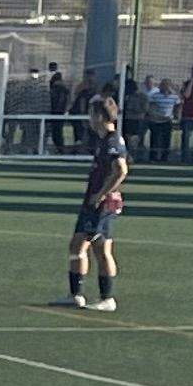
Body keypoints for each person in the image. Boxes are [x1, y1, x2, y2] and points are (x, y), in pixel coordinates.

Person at [61, 108, 127, 313]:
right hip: (96, 202)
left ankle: (100, 297)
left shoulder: (112, 141)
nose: (89, 119)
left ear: (100, 116)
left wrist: (100, 195)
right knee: (91, 247)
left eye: (92, 114)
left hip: (100, 204)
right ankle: (79, 296)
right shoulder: (104, 140)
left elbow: (121, 170)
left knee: (85, 246)